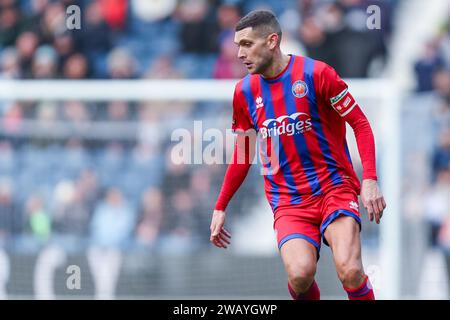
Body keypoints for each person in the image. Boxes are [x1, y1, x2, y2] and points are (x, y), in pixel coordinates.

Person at [209, 10, 386, 300]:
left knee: (350, 271)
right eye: (237, 45)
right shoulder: (243, 92)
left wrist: (369, 179)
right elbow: (243, 154)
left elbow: (361, 124)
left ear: (272, 41)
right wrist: (220, 205)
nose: (239, 53)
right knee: (301, 274)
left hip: (334, 188)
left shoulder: (316, 74)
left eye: (246, 44)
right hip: (289, 199)